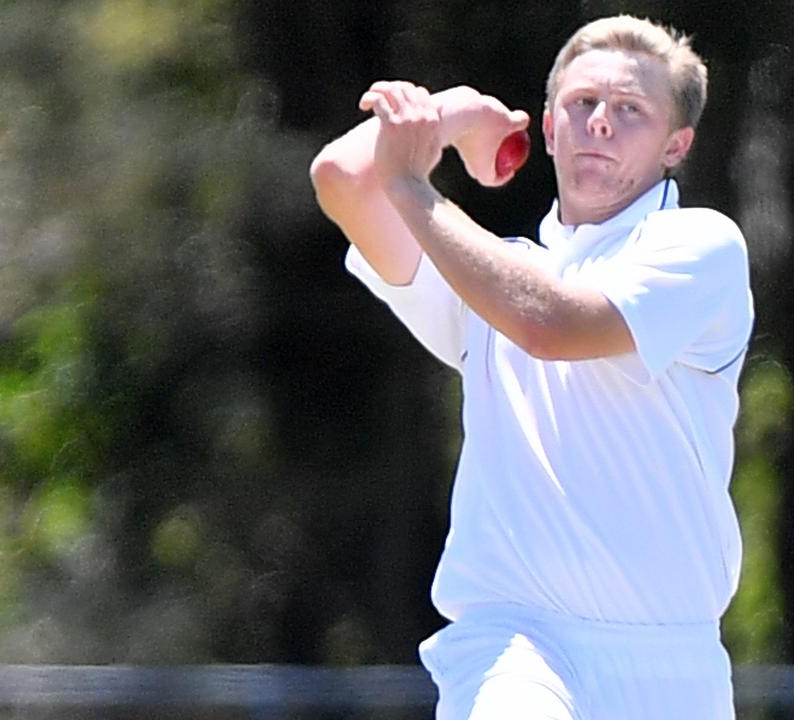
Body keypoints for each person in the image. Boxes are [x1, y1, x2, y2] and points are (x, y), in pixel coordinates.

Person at [310, 14, 753, 720]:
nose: (600, 123)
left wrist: (413, 185)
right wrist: (449, 113)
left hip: (675, 661)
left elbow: (550, 322)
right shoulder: (489, 270)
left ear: (677, 145)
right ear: (547, 128)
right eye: (582, 105)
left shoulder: (701, 246)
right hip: (517, 646)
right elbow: (340, 177)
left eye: (631, 111)